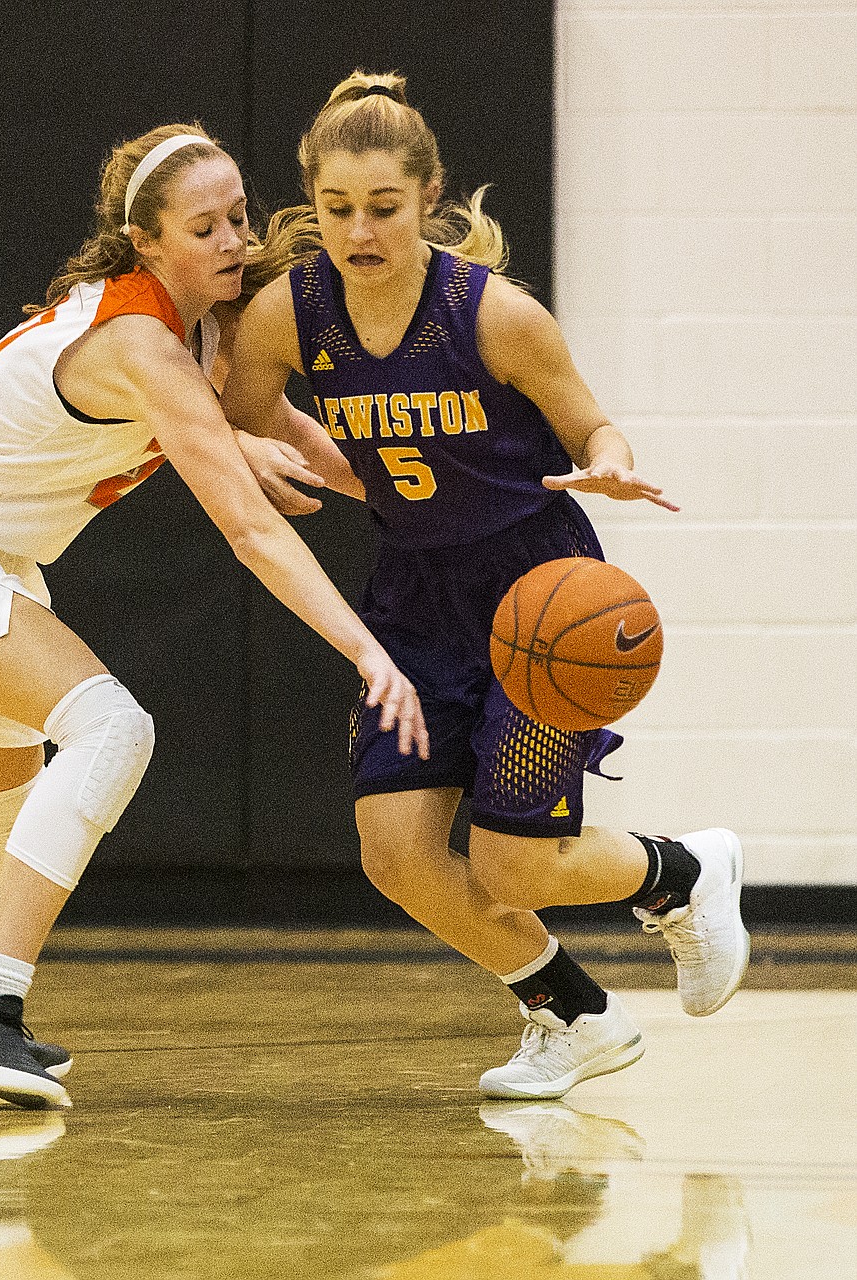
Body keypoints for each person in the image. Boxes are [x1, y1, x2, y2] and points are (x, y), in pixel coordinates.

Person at [0, 122, 429, 1109]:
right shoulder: (140, 341)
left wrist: (465, 503)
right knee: (112, 727)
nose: (235, 239)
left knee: (5, 806)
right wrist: (368, 651)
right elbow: (253, 532)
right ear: (148, 243)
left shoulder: (208, 329)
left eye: (239, 215)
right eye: (206, 226)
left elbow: (310, 443)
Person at [222, 71, 750, 1099]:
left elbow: (591, 424)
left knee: (513, 865)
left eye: (383, 207)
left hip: (538, 591)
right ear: (311, 205)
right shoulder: (292, 311)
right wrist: (290, 458)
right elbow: (240, 412)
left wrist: (609, 459)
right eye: (337, 210)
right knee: (396, 851)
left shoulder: (495, 316)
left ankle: (682, 870)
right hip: (415, 596)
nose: (360, 229)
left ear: (428, 198)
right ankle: (575, 1013)